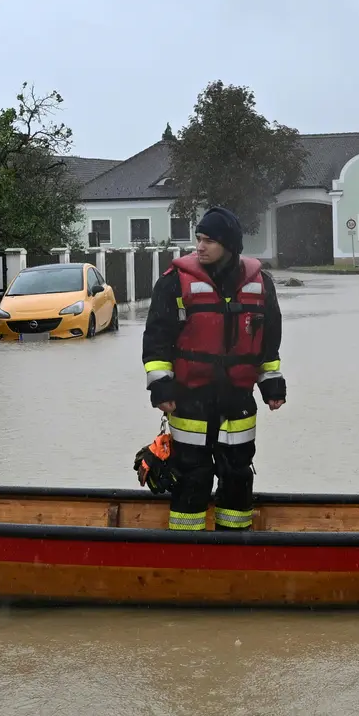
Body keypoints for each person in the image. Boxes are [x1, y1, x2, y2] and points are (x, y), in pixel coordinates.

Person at [142, 207, 286, 531]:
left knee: (237, 474)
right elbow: (156, 342)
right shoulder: (174, 284)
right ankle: (187, 554)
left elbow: (267, 346)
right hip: (189, 398)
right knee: (192, 476)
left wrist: (272, 385)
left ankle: (235, 552)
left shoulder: (261, 285)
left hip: (238, 399)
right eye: (199, 238)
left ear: (230, 245)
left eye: (209, 240)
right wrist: (160, 387)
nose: (200, 246)